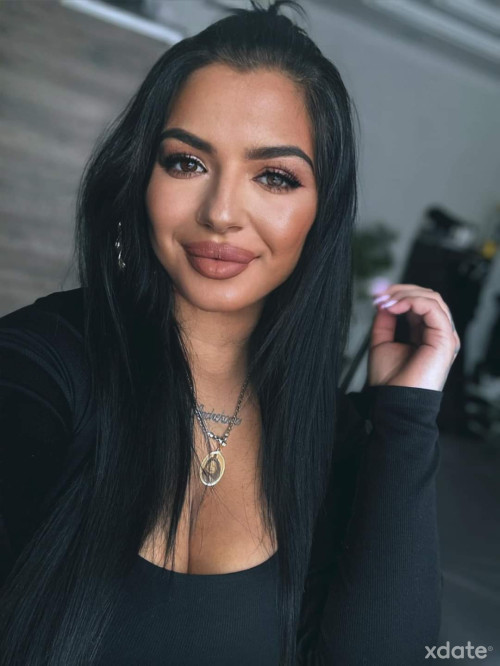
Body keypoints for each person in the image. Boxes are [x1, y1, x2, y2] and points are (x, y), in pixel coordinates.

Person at [0, 1, 460, 664]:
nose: (220, 213)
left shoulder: (328, 439)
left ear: (322, 211)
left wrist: (406, 417)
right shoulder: (39, 367)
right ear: (140, 176)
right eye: (187, 162)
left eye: (274, 176)